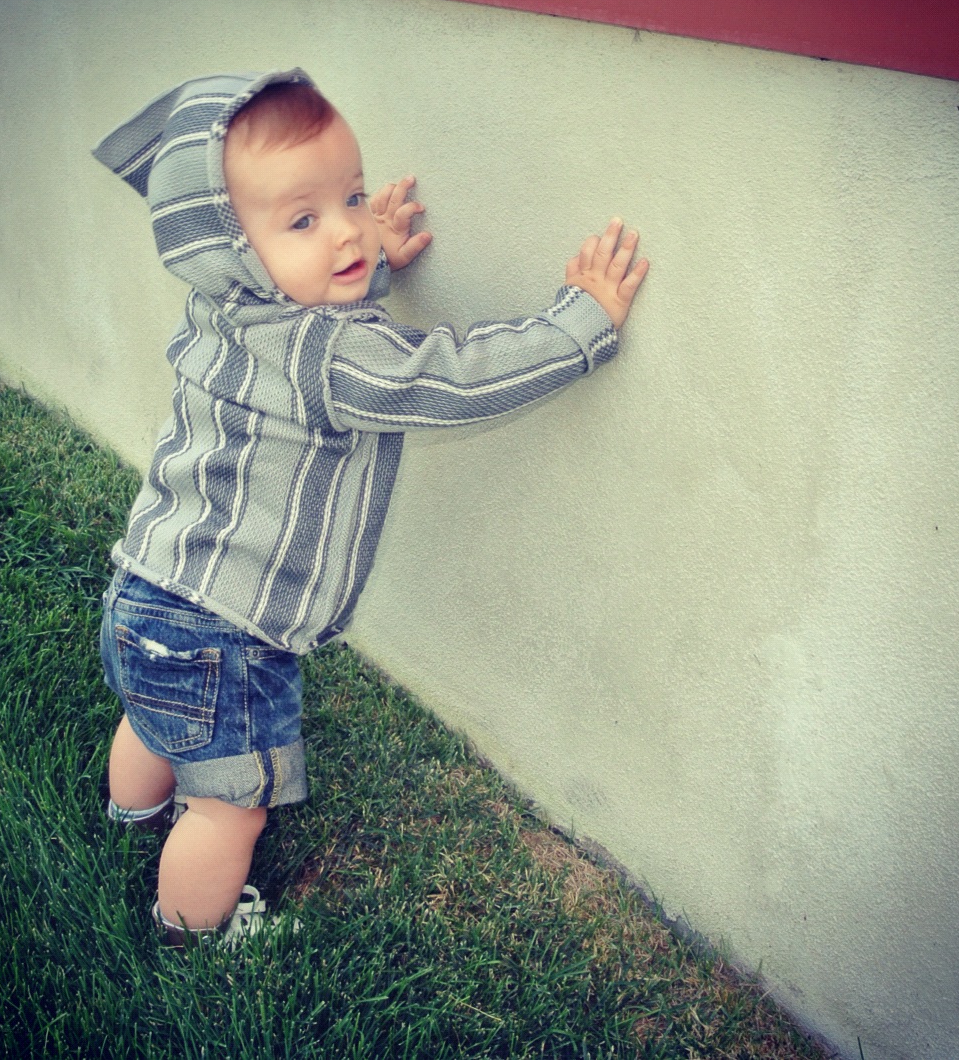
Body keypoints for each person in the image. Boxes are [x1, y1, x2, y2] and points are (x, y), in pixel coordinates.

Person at [92, 68, 648, 947]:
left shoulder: (218, 306)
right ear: (235, 248)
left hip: (143, 591)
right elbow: (450, 379)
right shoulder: (334, 356)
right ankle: (188, 932)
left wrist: (365, 254)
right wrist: (580, 323)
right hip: (229, 631)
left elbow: (304, 294)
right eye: (303, 220)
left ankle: (128, 816)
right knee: (229, 808)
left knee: (157, 718)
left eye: (350, 197)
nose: (348, 228)